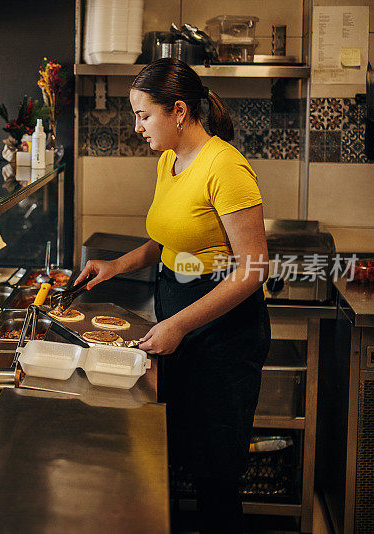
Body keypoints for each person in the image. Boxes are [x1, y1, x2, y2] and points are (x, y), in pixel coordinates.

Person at [75, 58, 271, 533]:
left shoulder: (226, 167)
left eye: (143, 115)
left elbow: (253, 270)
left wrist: (180, 325)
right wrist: (117, 265)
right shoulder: (169, 160)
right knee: (178, 457)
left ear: (178, 111)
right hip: (178, 322)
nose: (136, 126)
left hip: (222, 334)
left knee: (216, 478)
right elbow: (170, 240)